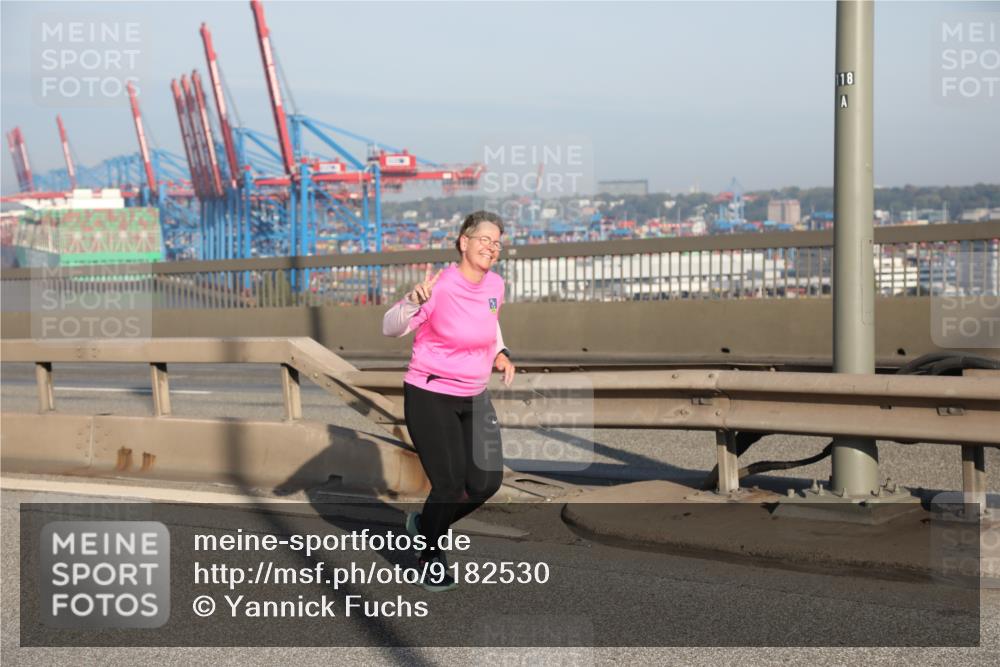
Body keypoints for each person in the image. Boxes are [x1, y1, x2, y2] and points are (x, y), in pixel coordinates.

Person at [382, 210, 515, 592]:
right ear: (463, 242)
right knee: (450, 484)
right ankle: (429, 556)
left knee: (486, 482)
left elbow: (490, 323)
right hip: (430, 393)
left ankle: (426, 525)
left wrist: (501, 352)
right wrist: (410, 300)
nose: (492, 247)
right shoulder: (438, 286)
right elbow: (389, 327)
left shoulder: (496, 286)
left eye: (497, 243)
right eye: (484, 239)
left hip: (474, 394)